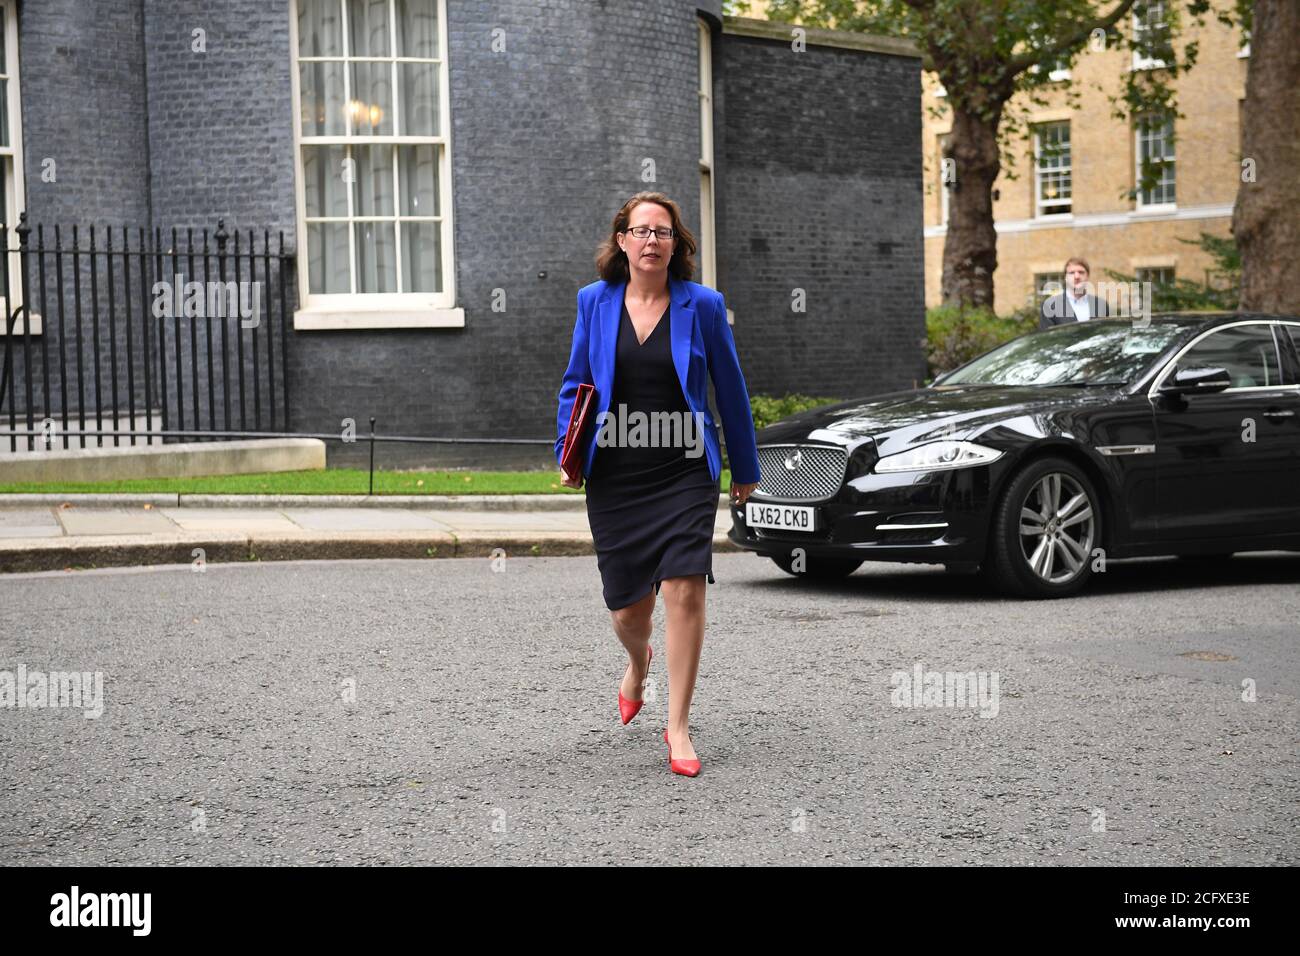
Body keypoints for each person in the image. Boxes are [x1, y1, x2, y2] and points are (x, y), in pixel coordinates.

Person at [554, 191, 761, 777]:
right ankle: (638, 662)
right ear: (621, 241)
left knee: (685, 588)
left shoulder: (704, 306)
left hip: (683, 469)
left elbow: (731, 390)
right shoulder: (594, 303)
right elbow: (575, 385)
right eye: (640, 231)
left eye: (662, 232)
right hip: (617, 472)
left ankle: (677, 726)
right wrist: (568, 453)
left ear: (676, 244)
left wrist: (745, 469)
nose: (651, 241)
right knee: (628, 609)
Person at [1039, 257, 1110, 329]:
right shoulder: (1050, 306)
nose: (1077, 276)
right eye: (1072, 273)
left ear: (1087, 276)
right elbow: (1047, 338)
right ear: (1065, 277)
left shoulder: (1101, 304)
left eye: (1081, 272)